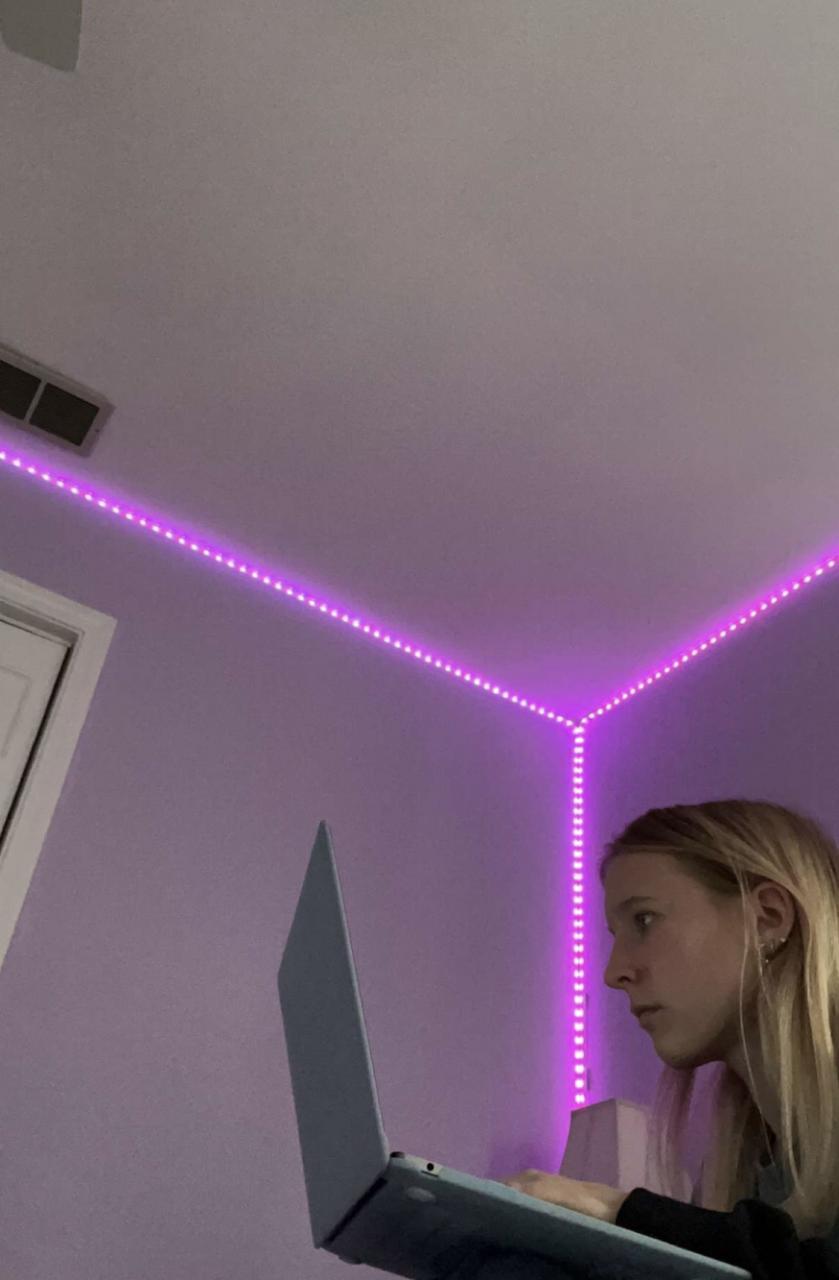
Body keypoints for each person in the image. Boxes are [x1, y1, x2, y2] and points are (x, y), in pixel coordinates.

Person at [598, 798, 839, 1279]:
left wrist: (616, 1211)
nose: (614, 972)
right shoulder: (738, 1174)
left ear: (768, 916)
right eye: (614, 934)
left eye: (644, 920)